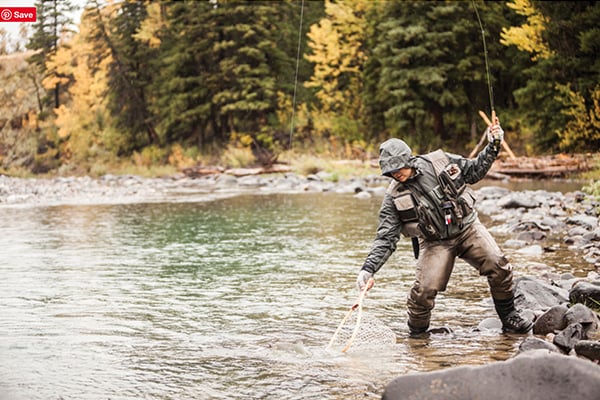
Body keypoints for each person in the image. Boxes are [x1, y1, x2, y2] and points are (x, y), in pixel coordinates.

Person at [356, 116, 533, 336]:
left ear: (408, 159)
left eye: (398, 167)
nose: (395, 173)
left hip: (468, 228)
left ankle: (509, 319)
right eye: (390, 171)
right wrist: (368, 269)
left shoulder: (439, 162)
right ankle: (417, 336)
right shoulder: (393, 197)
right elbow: (385, 238)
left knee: (499, 266)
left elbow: (475, 170)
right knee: (423, 291)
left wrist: (493, 144)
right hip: (434, 243)